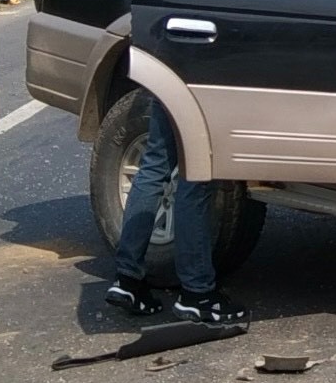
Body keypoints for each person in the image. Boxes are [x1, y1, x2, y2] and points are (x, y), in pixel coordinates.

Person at [104, 94, 245, 325]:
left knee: (154, 166)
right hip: (202, 78)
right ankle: (196, 293)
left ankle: (127, 280)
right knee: (196, 177)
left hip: (167, 73)